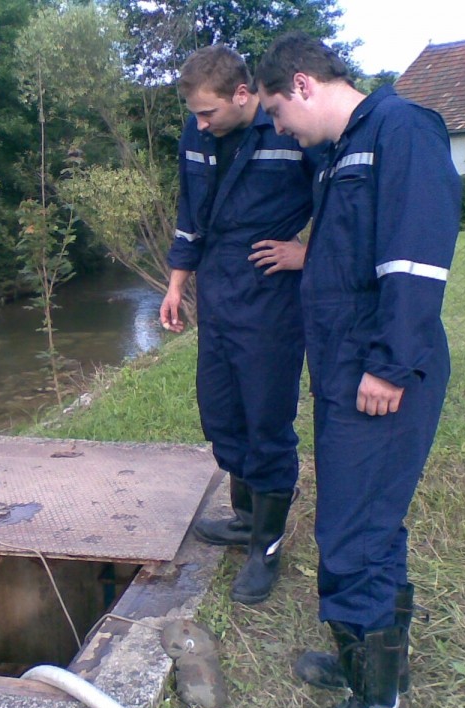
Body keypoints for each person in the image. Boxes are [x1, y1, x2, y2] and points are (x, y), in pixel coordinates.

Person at [254, 32, 461, 708]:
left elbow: (416, 260)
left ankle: (377, 699)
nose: (281, 129)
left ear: (304, 85)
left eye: (280, 113)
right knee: (367, 518)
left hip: (382, 376)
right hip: (345, 369)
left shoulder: (401, 130)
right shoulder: (340, 151)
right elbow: (351, 255)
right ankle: (362, 661)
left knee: (353, 531)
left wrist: (390, 367)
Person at [160, 45, 314, 605]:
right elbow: (189, 211)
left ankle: (266, 549)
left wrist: (309, 250)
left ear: (242, 95)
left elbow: (345, 196)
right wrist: (178, 283)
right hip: (218, 288)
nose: (200, 123)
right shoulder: (197, 135)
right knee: (222, 409)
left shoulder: (286, 129)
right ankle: (248, 520)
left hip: (271, 293)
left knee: (266, 417)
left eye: (208, 112)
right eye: (195, 114)